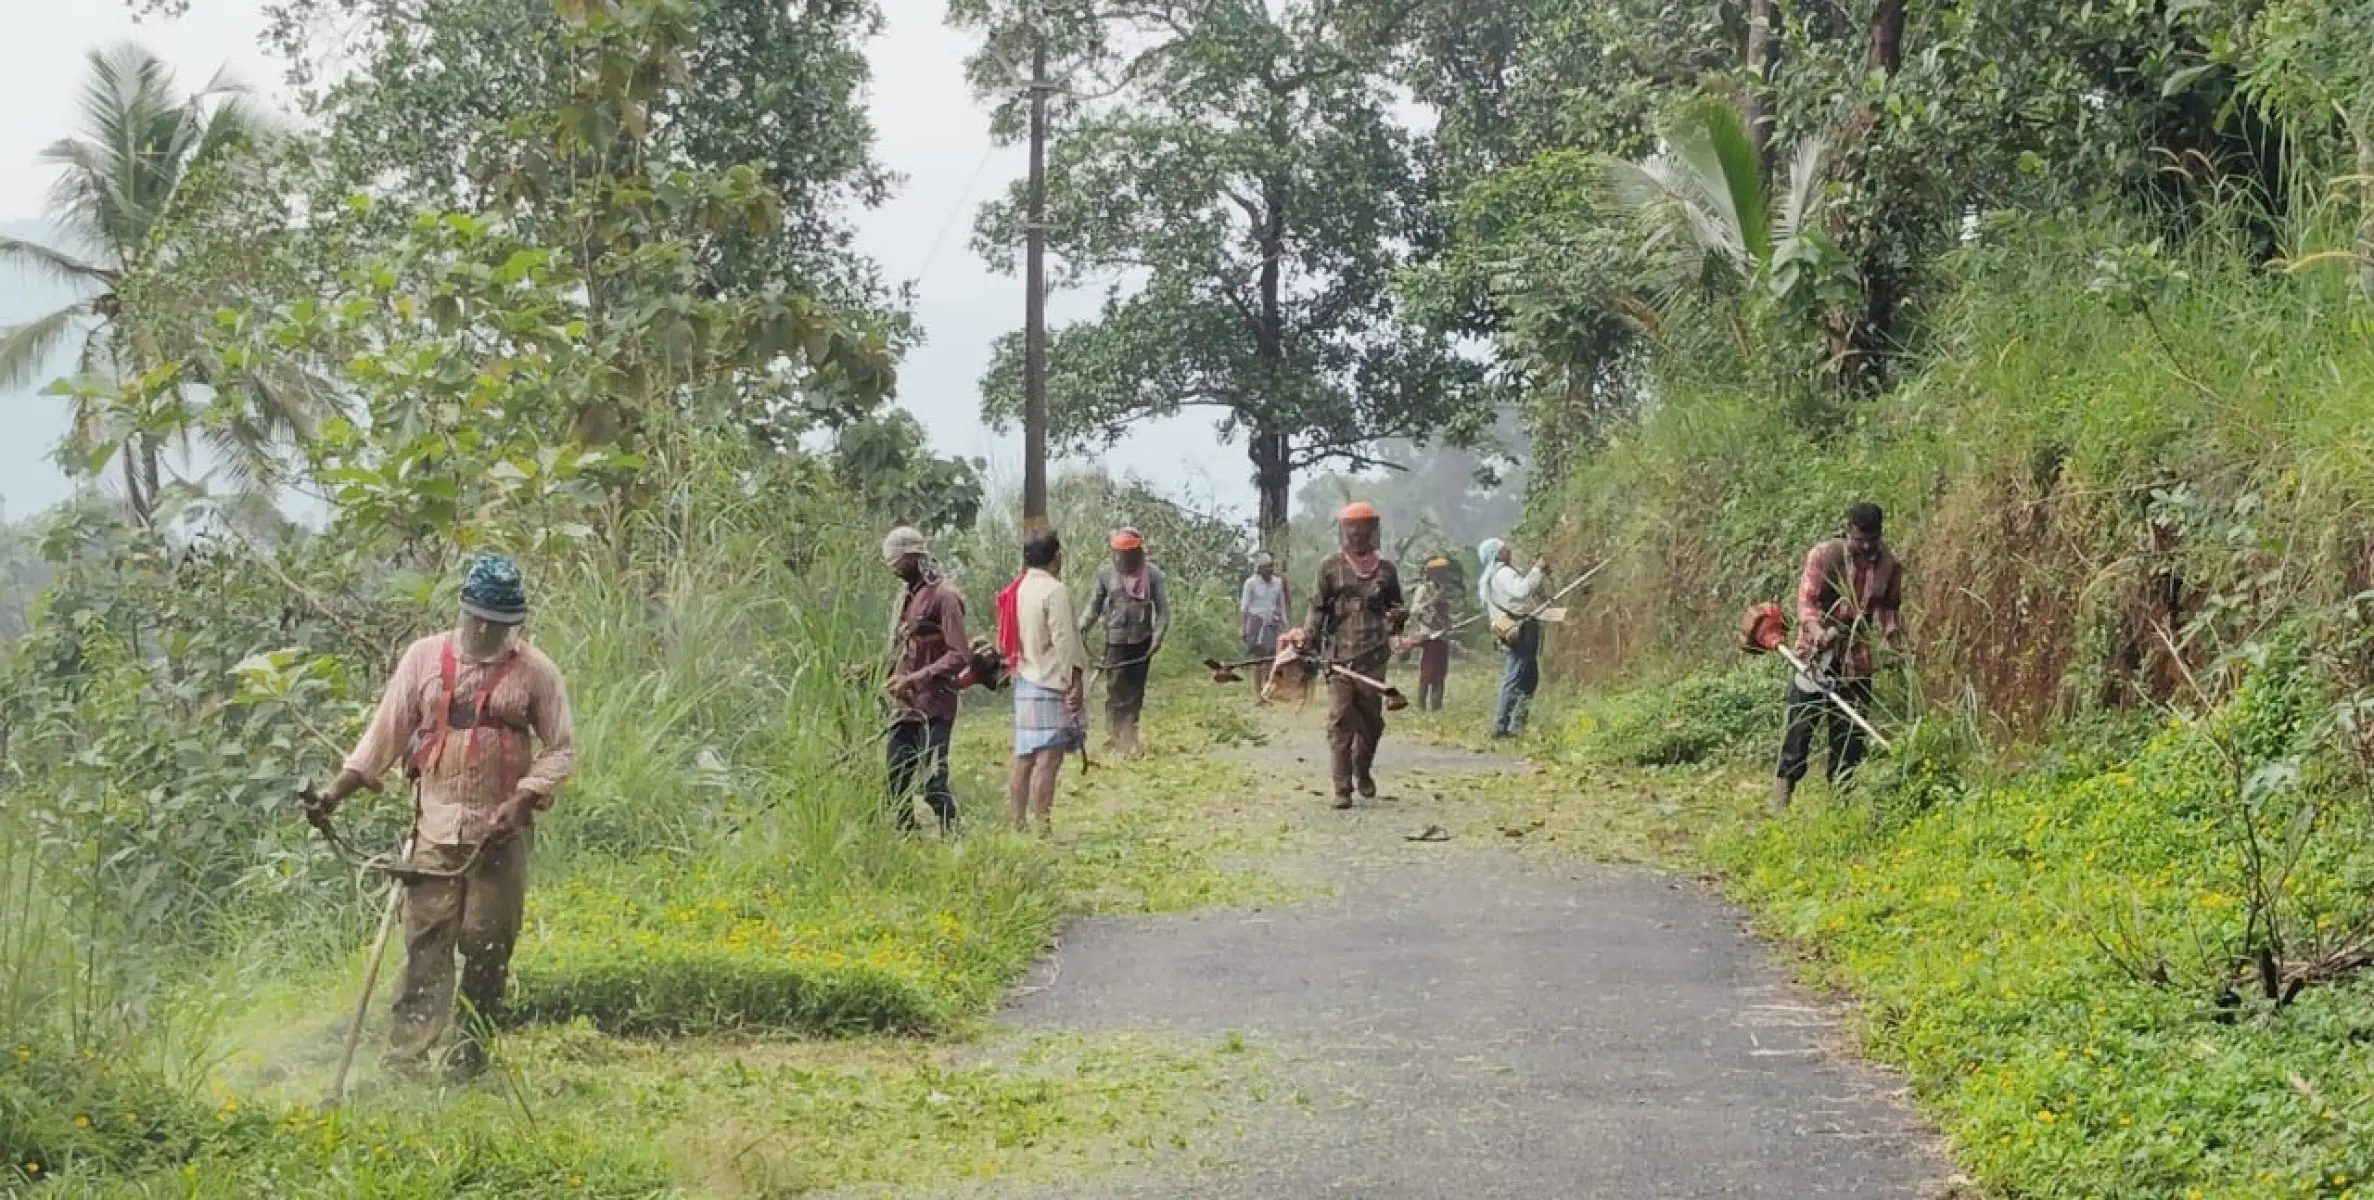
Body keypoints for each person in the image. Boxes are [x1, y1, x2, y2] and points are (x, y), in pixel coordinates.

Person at [307, 552, 575, 1080]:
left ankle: (468, 1063)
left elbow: (562, 750)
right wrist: (333, 794)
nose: (490, 633)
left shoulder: (537, 673)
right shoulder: (424, 660)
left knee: (488, 947)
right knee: (426, 945)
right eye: (483, 622)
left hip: (498, 839)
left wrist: (523, 798)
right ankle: (406, 1061)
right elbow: (381, 737)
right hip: (435, 830)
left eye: (503, 626)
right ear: (466, 614)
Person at [1773, 501, 1905, 811]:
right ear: (1848, 531)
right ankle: (1782, 798)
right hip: (1815, 655)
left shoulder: (1889, 565)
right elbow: (1806, 602)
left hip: (1857, 657)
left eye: (1874, 539)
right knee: (1801, 727)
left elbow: (1889, 610)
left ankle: (1841, 801)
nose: (1867, 546)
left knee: (1850, 735)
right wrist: (1819, 633)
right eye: (1861, 539)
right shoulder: (1824, 555)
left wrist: (1895, 641)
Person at [1307, 501, 1405, 807]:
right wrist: (1308, 639)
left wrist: (1398, 616)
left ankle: (1362, 771)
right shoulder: (1329, 567)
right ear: (1344, 530)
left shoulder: (1386, 570)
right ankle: (1342, 788)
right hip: (1338, 658)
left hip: (1373, 657)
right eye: (1352, 529)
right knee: (1340, 720)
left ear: (1372, 530)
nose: (1358, 535)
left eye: (1364, 529)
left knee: (1371, 722)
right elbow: (1317, 608)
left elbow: (1396, 606)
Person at [882, 525, 968, 834]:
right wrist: (871, 671)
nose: (893, 569)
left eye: (898, 561)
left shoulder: (944, 598)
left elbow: (959, 655)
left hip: (935, 704)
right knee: (896, 779)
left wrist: (915, 678)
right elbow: (898, 650)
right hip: (905, 708)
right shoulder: (904, 599)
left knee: (933, 782)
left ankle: (954, 838)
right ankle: (908, 839)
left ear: (915, 558)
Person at [1011, 529, 1090, 836]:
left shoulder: (1020, 587)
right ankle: (1042, 825)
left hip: (1026, 677)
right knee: (1049, 758)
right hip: (1051, 681)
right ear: (1056, 557)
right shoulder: (1054, 590)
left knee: (1024, 757)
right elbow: (1064, 640)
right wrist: (1076, 680)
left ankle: (1018, 824)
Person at [1079, 527, 1170, 754]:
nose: (1124, 558)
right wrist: (1080, 628)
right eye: (1120, 553)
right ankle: (1113, 735)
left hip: (1142, 642)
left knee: (1135, 692)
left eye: (1129, 553)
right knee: (1115, 689)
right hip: (1116, 642)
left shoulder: (1154, 575)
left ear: (1138, 552)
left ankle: (1129, 736)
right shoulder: (1105, 574)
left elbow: (1163, 612)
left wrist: (1157, 638)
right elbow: (1093, 607)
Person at [1478, 537, 1547, 738]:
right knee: (1516, 676)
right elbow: (1522, 590)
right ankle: (1501, 725)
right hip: (1520, 629)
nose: (1509, 551)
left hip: (1516, 629)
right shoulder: (1503, 573)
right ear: (1498, 554)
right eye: (1504, 548)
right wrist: (1537, 569)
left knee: (1528, 677)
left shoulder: (1495, 576)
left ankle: (1517, 724)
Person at [1238, 550, 1291, 700]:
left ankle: (1268, 691)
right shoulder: (1251, 583)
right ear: (1259, 568)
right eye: (1267, 567)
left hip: (1272, 622)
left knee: (1271, 659)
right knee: (1258, 659)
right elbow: (1244, 607)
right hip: (1256, 622)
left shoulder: (1278, 583)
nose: (1270, 570)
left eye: (1272, 566)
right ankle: (1257, 693)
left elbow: (1281, 606)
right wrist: (1243, 627)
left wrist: (1285, 625)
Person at [1409, 557, 1455, 712]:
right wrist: (1430, 603)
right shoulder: (1423, 589)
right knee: (1428, 671)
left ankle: (1437, 705)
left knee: (1441, 672)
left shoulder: (1444, 590)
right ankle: (1421, 704)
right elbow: (1414, 610)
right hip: (1429, 636)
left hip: (1442, 635)